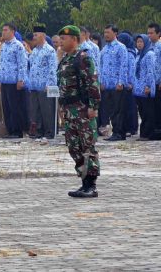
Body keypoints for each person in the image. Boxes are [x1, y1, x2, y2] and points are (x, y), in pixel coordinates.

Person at [57, 26, 101, 198]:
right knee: (74, 146)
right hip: (69, 110)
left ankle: (91, 184)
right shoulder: (65, 59)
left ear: (74, 39)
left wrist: (93, 107)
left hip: (82, 109)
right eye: (60, 39)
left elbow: (92, 83)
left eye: (64, 39)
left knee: (87, 146)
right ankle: (83, 182)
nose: (61, 42)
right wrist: (62, 108)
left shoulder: (82, 58)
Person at [98, 25, 129, 141]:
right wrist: (100, 82)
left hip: (117, 85)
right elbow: (100, 66)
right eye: (104, 32)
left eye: (108, 32)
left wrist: (121, 82)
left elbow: (124, 65)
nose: (106, 35)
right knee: (111, 110)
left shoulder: (121, 47)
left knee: (119, 110)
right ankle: (115, 131)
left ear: (115, 33)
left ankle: (119, 133)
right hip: (107, 85)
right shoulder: (104, 50)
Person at [26, 26, 57, 140]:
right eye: (33, 35)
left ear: (43, 36)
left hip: (45, 85)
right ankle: (39, 131)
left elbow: (52, 68)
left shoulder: (49, 50)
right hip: (34, 85)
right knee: (36, 110)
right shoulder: (34, 51)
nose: (34, 37)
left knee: (47, 110)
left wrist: (50, 84)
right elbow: (31, 68)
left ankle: (49, 132)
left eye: (36, 35)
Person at [0, 24, 28, 138]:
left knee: (15, 107)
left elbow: (22, 64)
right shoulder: (4, 46)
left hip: (14, 81)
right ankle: (10, 130)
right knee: (6, 107)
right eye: (3, 30)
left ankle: (17, 131)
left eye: (5, 30)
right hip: (4, 81)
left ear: (12, 31)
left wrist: (21, 79)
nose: (3, 32)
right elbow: (1, 64)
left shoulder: (18, 46)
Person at [132, 34, 158, 140]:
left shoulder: (149, 54)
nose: (139, 44)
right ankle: (143, 133)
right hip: (138, 88)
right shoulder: (138, 55)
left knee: (148, 112)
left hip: (146, 87)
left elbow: (150, 72)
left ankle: (148, 133)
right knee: (142, 111)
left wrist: (148, 86)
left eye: (141, 42)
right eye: (137, 42)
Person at [118, 32, 139, 137]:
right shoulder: (123, 51)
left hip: (129, 85)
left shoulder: (130, 53)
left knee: (130, 107)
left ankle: (131, 128)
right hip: (124, 83)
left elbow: (131, 69)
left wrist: (130, 83)